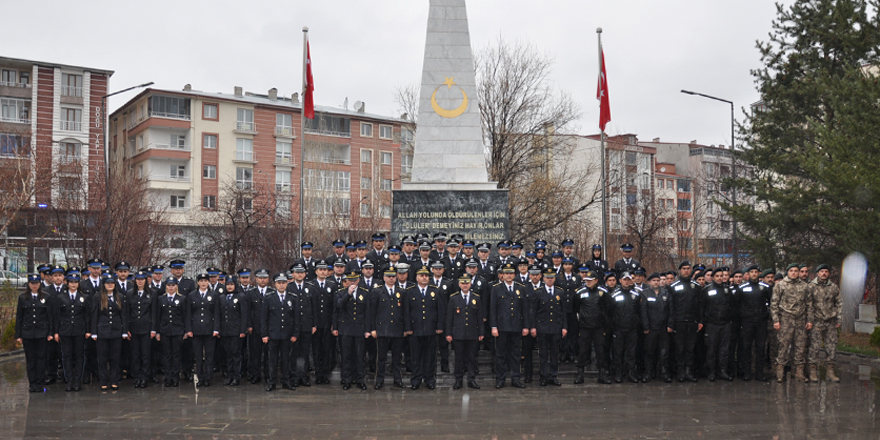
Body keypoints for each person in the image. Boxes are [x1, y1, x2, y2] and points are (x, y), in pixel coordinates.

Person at [489, 263, 529, 389]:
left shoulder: (521, 288)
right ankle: (500, 379)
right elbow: (493, 309)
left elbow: (525, 310)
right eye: (506, 273)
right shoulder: (496, 288)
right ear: (502, 275)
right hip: (501, 327)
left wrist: (525, 326)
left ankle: (515, 378)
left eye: (511, 273)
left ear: (514, 275)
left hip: (516, 326)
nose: (509, 275)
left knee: (516, 354)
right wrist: (493, 326)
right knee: (501, 354)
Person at [771, 264, 813, 383]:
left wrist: (810, 320)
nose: (794, 273)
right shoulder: (780, 286)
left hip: (800, 320)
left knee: (800, 347)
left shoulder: (805, 286)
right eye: (791, 271)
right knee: (783, 346)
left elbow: (809, 305)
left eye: (796, 271)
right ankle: (780, 372)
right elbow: (774, 304)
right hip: (786, 319)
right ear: (787, 272)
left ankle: (799, 372)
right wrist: (776, 320)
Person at [405, 266, 445, 390]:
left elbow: (440, 311)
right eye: (421, 276)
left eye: (426, 276)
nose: (424, 278)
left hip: (431, 329)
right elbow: (406, 312)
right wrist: (408, 328)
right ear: (416, 278)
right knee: (415, 357)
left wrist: (439, 326)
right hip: (415, 329)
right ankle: (416, 379)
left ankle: (429, 379)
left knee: (430, 357)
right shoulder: (410, 291)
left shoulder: (436, 291)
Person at [369, 269, 408, 389]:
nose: (391, 278)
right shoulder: (377, 291)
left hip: (397, 329)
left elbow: (405, 312)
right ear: (384, 278)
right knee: (381, 358)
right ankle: (379, 380)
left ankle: (398, 380)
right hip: (382, 329)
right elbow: (372, 312)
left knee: (397, 358)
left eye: (393, 276)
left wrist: (406, 329)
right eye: (388, 276)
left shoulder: (401, 292)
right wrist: (373, 329)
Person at [17, 274, 56, 393]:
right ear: (29, 284)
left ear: (40, 284)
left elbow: (50, 316)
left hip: (42, 332)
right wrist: (18, 335)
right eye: (32, 283)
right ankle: (32, 382)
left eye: (37, 283)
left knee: (41, 359)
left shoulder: (46, 297)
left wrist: (50, 332)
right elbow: (19, 317)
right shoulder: (23, 297)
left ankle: (40, 383)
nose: (34, 285)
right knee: (30, 359)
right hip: (27, 332)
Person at [572, 270, 611, 385]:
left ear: (596, 281)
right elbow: (575, 308)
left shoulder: (603, 292)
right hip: (585, 327)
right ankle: (580, 374)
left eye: (590, 280)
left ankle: (602, 374)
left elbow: (608, 308)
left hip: (599, 327)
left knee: (600, 351)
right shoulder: (580, 292)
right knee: (583, 350)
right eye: (586, 280)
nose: (588, 282)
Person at [261, 273, 299, 391]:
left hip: (287, 335)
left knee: (285, 359)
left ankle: (286, 381)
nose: (281, 285)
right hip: (273, 334)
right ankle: (272, 382)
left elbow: (296, 318)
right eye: (279, 283)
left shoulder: (292, 298)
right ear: (275, 284)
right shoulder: (269, 298)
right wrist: (264, 334)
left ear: (287, 284)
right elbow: (264, 318)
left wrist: (295, 334)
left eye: (283, 283)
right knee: (272, 360)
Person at [446, 274, 484, 390]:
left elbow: (479, 317)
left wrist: (481, 332)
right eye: (463, 283)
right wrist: (448, 333)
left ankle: (471, 379)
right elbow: (449, 318)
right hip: (458, 334)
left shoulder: (476, 298)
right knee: (459, 359)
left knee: (472, 358)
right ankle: (458, 380)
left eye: (467, 283)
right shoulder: (454, 298)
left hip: (472, 333)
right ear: (459, 284)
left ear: (470, 284)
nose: (465, 285)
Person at [531, 269, 567, 387]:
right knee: (543, 353)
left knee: (555, 353)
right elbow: (534, 311)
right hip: (542, 327)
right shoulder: (538, 292)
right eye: (547, 277)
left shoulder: (560, 292)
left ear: (554, 278)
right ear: (544, 278)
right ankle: (543, 376)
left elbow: (563, 312)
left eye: (552, 277)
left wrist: (564, 327)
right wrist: (533, 327)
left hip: (556, 327)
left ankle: (553, 376)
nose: (550, 279)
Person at [92, 274, 129, 391]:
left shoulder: (120, 297)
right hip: (102, 331)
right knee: (102, 358)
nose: (110, 285)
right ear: (104, 285)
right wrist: (94, 332)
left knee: (115, 357)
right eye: (108, 283)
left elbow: (123, 315)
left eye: (112, 283)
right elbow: (94, 316)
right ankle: (103, 381)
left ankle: (114, 380)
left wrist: (124, 331)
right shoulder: (98, 297)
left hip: (116, 331)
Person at [335, 270, 370, 390]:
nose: (353, 282)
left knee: (360, 356)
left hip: (360, 329)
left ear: (359, 280)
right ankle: (346, 380)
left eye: (355, 280)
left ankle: (360, 379)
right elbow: (339, 306)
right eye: (350, 280)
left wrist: (367, 329)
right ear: (347, 281)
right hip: (346, 329)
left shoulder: (364, 293)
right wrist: (348, 294)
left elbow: (367, 312)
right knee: (346, 356)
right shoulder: (341, 293)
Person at [736, 265, 772, 382]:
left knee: (760, 347)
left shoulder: (765, 287)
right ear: (748, 274)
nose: (754, 274)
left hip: (761, 322)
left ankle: (759, 373)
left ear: (759, 273)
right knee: (746, 347)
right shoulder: (742, 288)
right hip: (747, 322)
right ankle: (747, 372)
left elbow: (771, 302)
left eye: (756, 272)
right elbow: (737, 304)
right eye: (751, 272)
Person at [808, 264, 841, 382]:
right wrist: (809, 320)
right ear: (817, 273)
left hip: (830, 321)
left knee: (831, 347)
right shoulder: (811, 286)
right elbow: (809, 305)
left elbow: (839, 303)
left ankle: (830, 371)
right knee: (814, 347)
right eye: (821, 271)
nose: (824, 273)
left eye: (826, 271)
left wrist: (839, 319)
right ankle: (813, 371)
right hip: (816, 321)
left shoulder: (833, 287)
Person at [56, 273, 88, 392]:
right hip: (65, 331)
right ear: (67, 283)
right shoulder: (61, 297)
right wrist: (56, 332)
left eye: (76, 282)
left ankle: (77, 380)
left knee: (79, 356)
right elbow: (57, 316)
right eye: (71, 282)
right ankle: (69, 381)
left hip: (79, 330)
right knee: (67, 356)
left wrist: (88, 330)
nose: (73, 284)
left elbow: (87, 316)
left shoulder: (83, 297)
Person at [669, 261, 700, 382]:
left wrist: (700, 320)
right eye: (684, 268)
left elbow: (699, 305)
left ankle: (689, 371)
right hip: (679, 321)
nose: (686, 270)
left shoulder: (696, 286)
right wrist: (671, 323)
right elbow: (671, 306)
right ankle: (680, 372)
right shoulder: (673, 286)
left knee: (690, 347)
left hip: (692, 321)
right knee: (679, 348)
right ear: (680, 270)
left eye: (688, 268)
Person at [700, 268, 733, 382]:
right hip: (711, 324)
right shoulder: (706, 290)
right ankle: (711, 372)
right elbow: (702, 307)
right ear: (713, 277)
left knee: (724, 349)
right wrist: (702, 321)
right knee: (711, 349)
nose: (720, 278)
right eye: (717, 276)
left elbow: (732, 306)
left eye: (721, 276)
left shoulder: (727, 290)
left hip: (725, 324)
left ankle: (723, 371)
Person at [187, 273, 220, 387]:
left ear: (208, 282)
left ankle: (208, 378)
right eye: (201, 281)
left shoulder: (214, 295)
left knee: (210, 355)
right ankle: (200, 378)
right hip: (196, 330)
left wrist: (216, 329)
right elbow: (188, 314)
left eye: (205, 281)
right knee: (198, 355)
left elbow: (216, 313)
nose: (203, 283)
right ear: (198, 283)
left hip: (210, 329)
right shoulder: (192, 295)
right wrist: (189, 329)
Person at [608, 272, 641, 383]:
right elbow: (610, 311)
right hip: (618, 329)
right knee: (618, 352)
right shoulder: (614, 295)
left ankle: (631, 373)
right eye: (624, 279)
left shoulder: (636, 294)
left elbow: (639, 311)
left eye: (628, 279)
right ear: (620, 280)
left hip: (632, 329)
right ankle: (618, 373)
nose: (626, 281)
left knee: (631, 352)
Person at [640, 272, 673, 383]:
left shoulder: (666, 293)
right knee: (649, 352)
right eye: (654, 281)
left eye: (658, 280)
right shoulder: (645, 294)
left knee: (664, 353)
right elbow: (643, 312)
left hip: (663, 328)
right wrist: (646, 327)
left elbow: (671, 311)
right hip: (651, 329)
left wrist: (670, 325)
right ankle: (648, 373)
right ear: (649, 282)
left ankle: (664, 373)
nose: (656, 282)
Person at [286, 263, 315, 387]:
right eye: (297, 272)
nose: (299, 274)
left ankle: (304, 376)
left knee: (305, 353)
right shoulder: (288, 287)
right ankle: (294, 377)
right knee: (294, 353)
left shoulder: (310, 287)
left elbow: (314, 307)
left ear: (305, 274)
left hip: (307, 326)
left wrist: (314, 324)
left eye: (302, 272)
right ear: (293, 274)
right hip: (293, 327)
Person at [126, 270, 155, 389]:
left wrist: (153, 329)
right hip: (134, 328)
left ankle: (145, 377)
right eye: (138, 279)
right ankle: (137, 376)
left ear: (146, 280)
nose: (140, 281)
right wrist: (126, 329)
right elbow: (127, 313)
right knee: (135, 354)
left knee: (146, 354)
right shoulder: (130, 293)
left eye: (142, 279)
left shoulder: (152, 293)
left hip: (146, 328)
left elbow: (153, 313)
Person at [156, 277, 187, 387]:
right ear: (166, 286)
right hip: (165, 330)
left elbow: (185, 316)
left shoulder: (182, 299)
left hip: (177, 331)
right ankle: (168, 377)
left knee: (176, 354)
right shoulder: (161, 299)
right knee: (166, 355)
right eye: (169, 285)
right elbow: (158, 316)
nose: (171, 287)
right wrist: (158, 332)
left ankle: (175, 377)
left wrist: (185, 331)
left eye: (173, 285)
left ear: (176, 286)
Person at [311, 261, 336, 385]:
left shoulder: (332, 285)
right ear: (316, 271)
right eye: (320, 270)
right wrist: (313, 323)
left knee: (327, 349)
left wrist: (333, 323)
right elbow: (310, 307)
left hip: (327, 323)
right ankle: (318, 373)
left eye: (324, 270)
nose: (322, 272)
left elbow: (334, 307)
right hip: (316, 324)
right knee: (316, 350)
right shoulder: (311, 285)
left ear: (327, 272)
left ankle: (325, 374)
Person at [219, 276, 248, 386]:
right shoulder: (222, 297)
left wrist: (242, 330)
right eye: (228, 284)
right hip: (225, 331)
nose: (230, 286)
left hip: (236, 331)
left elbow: (244, 315)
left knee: (236, 354)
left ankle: (236, 376)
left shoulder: (240, 296)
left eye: (232, 284)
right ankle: (229, 376)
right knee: (228, 354)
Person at [246, 269, 271, 384]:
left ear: (268, 279)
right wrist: (249, 325)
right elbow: (248, 311)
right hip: (255, 328)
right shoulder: (251, 293)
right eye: (260, 278)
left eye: (265, 278)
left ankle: (267, 374)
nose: (262, 280)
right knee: (255, 353)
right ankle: (255, 374)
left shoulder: (272, 292)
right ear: (256, 279)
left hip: (268, 329)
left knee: (268, 354)